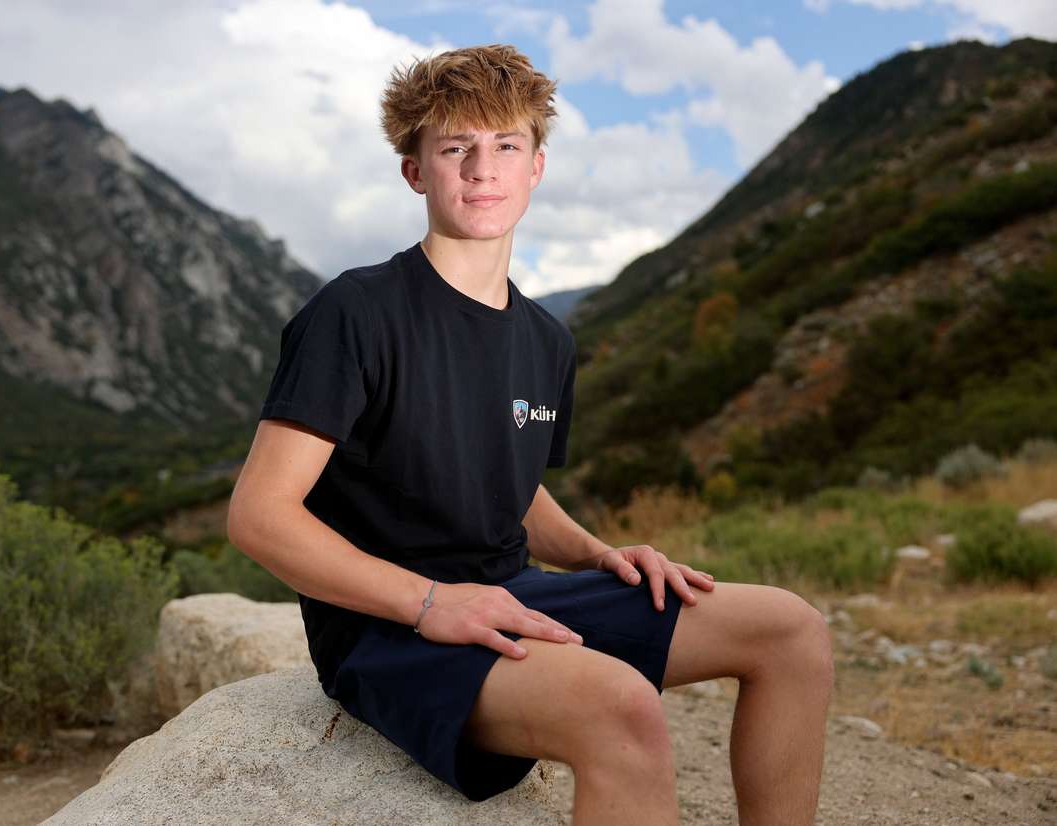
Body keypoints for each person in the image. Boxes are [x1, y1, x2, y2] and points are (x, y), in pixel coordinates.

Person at [227, 43, 833, 826]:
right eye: (456, 148)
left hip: (510, 591)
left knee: (792, 630)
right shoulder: (356, 313)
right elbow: (259, 515)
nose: (483, 169)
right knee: (623, 705)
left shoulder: (547, 339)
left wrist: (595, 554)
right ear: (416, 171)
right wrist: (428, 602)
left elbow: (510, 488)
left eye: (505, 145)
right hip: (389, 628)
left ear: (536, 166)